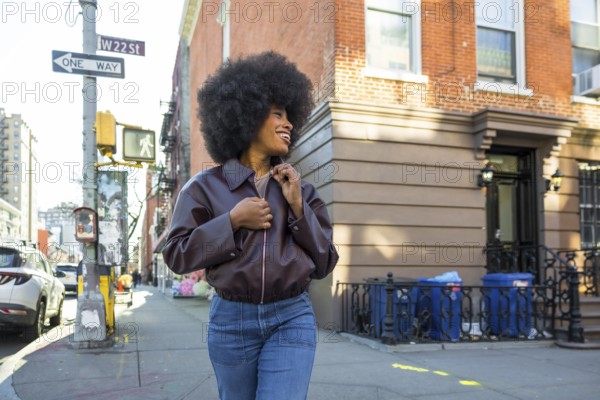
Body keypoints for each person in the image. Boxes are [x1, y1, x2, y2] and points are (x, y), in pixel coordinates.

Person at [162, 51, 339, 400]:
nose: (288, 123)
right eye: (277, 114)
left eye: (291, 116)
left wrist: (298, 211)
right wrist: (231, 221)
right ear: (246, 115)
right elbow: (176, 255)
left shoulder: (299, 190)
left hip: (292, 316)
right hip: (231, 320)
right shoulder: (204, 187)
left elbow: (325, 262)